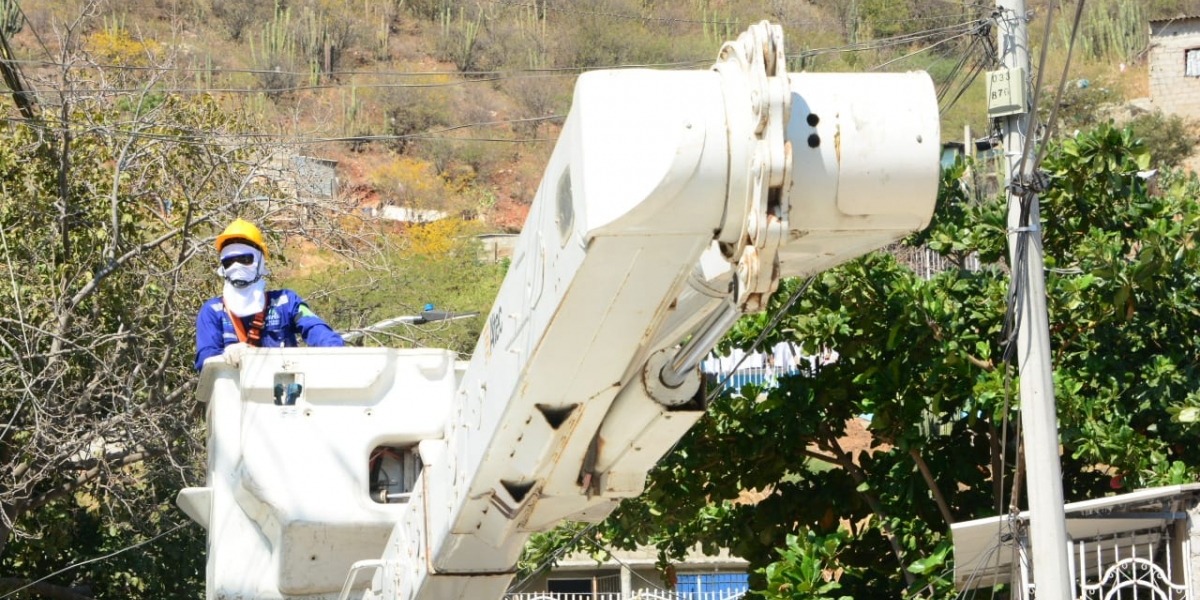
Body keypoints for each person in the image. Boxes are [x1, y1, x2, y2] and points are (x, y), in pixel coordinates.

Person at [194, 219, 344, 370]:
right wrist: (225, 356)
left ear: (260, 261)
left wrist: (335, 350)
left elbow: (315, 328)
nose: (236, 266)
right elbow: (206, 361)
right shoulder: (213, 311)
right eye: (229, 262)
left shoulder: (285, 302)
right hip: (235, 392)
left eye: (245, 259)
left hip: (285, 388)